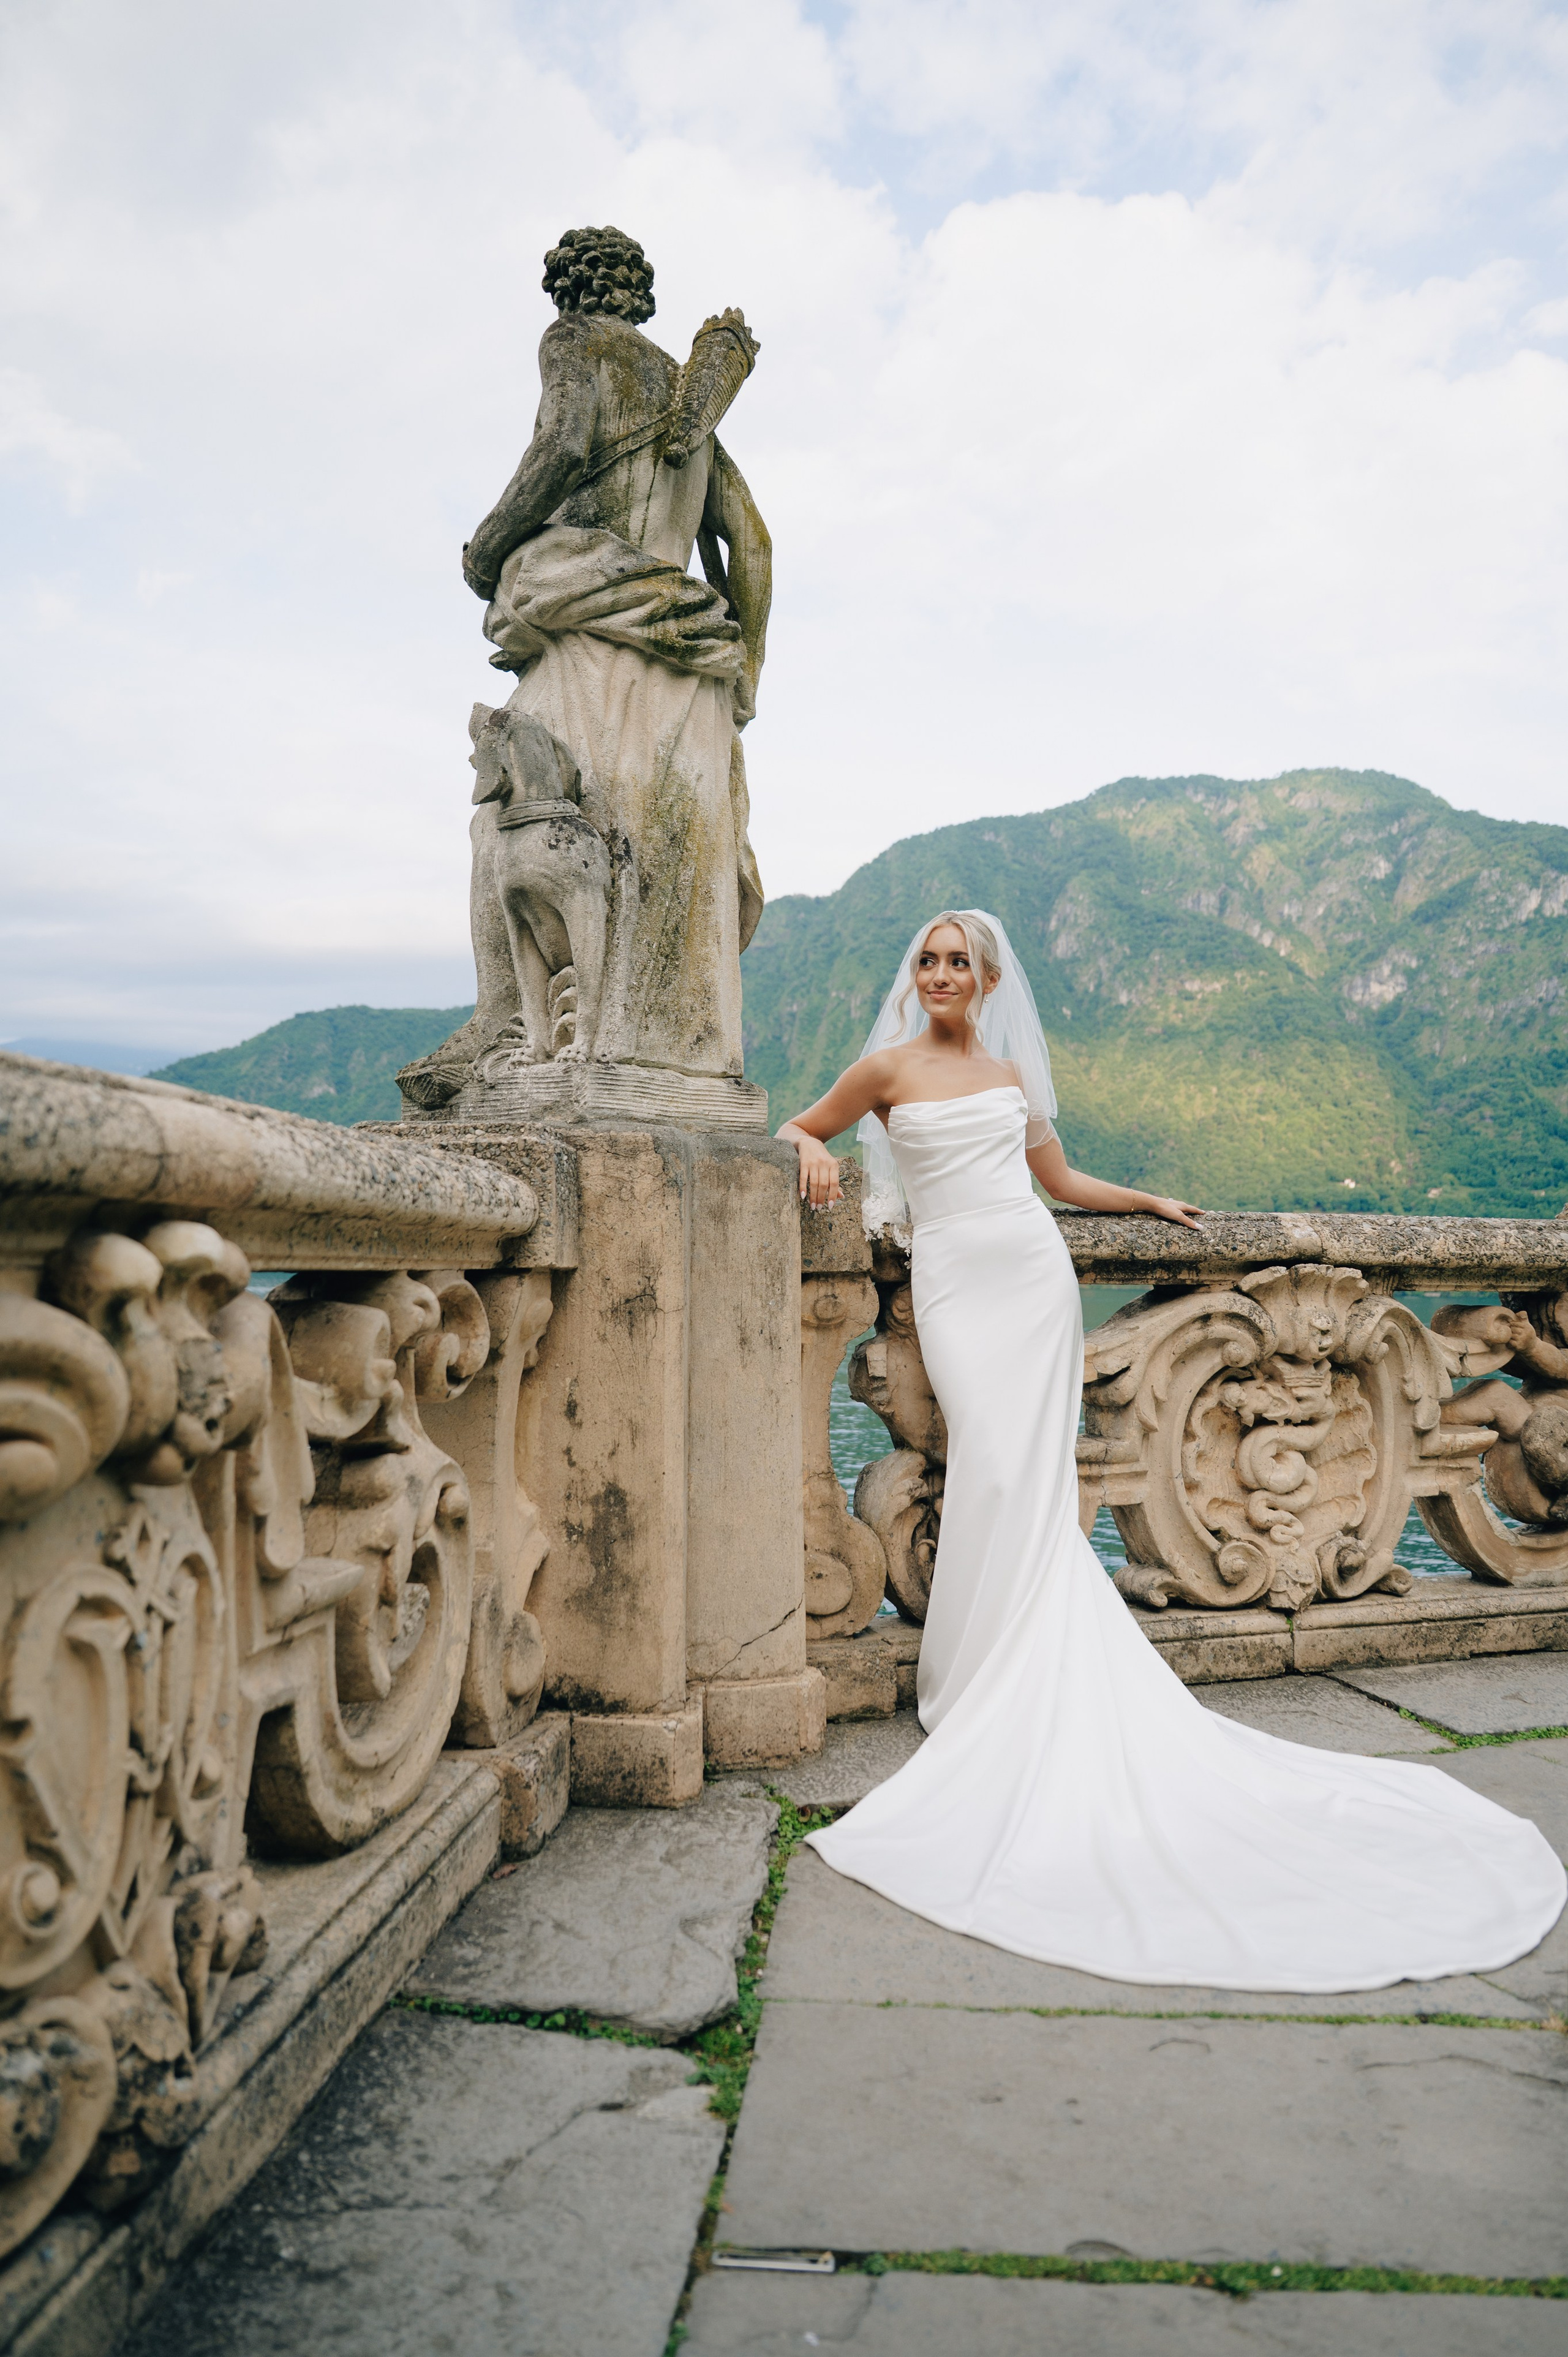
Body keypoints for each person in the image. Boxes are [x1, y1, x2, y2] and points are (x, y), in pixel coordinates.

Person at [774, 910, 1564, 1991]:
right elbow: (792, 1130)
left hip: (1034, 1281)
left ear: (988, 977)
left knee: (1033, 1482)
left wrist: (1141, 1200)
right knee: (996, 1468)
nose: (943, 972)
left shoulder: (1007, 1078)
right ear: (913, 976)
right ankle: (976, 1674)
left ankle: (1016, 1673)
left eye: (960, 960)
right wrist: (812, 1155)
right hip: (956, 1288)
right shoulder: (884, 1067)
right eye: (929, 959)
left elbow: (1057, 1181)